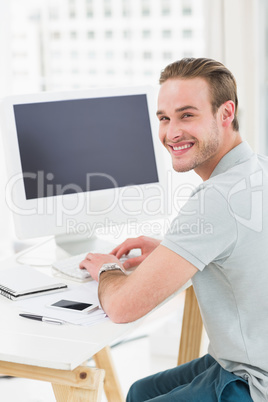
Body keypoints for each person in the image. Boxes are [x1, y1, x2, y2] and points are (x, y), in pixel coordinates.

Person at [80, 58, 268, 401]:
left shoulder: (218, 198)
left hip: (255, 381)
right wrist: (173, 249)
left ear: (226, 113)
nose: (171, 133)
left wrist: (107, 268)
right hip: (248, 357)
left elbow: (122, 307)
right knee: (140, 391)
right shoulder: (257, 170)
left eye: (187, 115)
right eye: (164, 118)